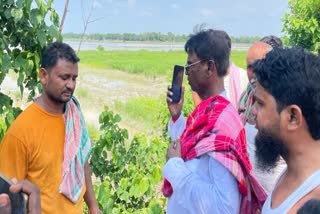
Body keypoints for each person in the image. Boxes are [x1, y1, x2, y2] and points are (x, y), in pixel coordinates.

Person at [162, 29, 266, 214]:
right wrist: (177, 117)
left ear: (210, 68)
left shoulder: (221, 123)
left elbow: (224, 208)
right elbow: (192, 149)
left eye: (190, 66)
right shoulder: (207, 113)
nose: (186, 73)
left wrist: (175, 166)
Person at [0, 42, 100, 214]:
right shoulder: (21, 132)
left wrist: (93, 206)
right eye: (64, 77)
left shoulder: (73, 116)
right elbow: (7, 197)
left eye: (74, 78)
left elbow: (81, 161)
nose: (71, 85)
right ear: (44, 76)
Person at [251, 47, 320, 213]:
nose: (252, 112)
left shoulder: (314, 202)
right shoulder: (290, 174)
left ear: (292, 117)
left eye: (260, 104)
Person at [238, 40, 287, 193]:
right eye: (249, 67)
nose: (253, 73)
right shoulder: (245, 98)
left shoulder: (283, 100)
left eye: (259, 66)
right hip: (250, 191)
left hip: (275, 191)